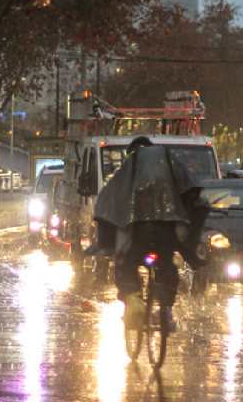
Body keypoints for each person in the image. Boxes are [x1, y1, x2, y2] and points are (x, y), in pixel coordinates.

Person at [88, 136, 207, 329]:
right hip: (165, 231)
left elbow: (108, 200)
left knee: (125, 263)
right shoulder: (168, 163)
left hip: (137, 231)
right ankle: (166, 311)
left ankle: (134, 300)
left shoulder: (129, 169)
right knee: (167, 265)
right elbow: (191, 192)